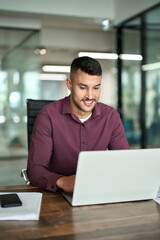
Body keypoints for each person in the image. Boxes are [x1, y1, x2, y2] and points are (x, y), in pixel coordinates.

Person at [27, 56, 129, 193]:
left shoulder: (111, 117)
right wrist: (63, 181)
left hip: (98, 191)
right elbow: (35, 170)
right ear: (69, 84)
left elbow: (125, 162)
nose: (90, 96)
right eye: (83, 87)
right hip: (58, 194)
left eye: (96, 88)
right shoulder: (48, 116)